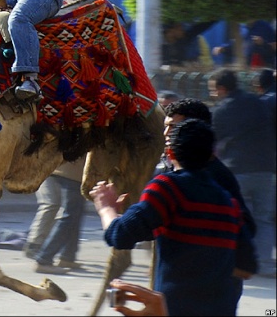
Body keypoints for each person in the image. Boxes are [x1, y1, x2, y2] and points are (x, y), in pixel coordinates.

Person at [90, 118, 245, 316]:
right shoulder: (227, 201)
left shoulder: (168, 188)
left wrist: (106, 208)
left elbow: (120, 235)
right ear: (212, 155)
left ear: (170, 152)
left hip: (177, 308)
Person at [162, 98, 258, 307]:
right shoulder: (178, 174)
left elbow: (246, 227)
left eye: (173, 127)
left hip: (210, 292)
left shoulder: (216, 176)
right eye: (166, 127)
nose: (167, 134)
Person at [209, 68, 276, 278]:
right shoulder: (257, 102)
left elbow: (213, 140)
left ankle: (237, 260)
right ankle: (264, 263)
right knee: (264, 217)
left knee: (236, 216)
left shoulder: (221, 111)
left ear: (221, 88)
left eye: (213, 90)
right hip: (265, 168)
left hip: (237, 170)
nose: (213, 94)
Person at [30, 156, 87, 274]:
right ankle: (44, 259)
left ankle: (68, 257)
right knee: (70, 214)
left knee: (75, 212)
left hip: (63, 167)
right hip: (71, 170)